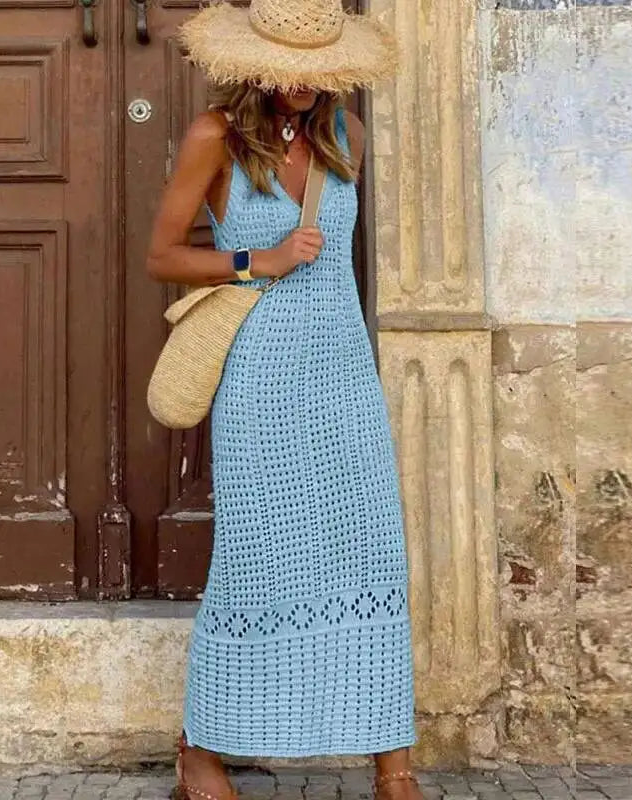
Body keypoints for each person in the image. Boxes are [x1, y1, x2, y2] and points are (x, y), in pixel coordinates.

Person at [146, 2, 421, 799]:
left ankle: (391, 761)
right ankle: (200, 752)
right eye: (286, 67)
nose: (301, 83)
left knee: (370, 549)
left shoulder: (347, 139)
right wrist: (255, 258)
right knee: (258, 560)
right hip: (261, 375)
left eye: (315, 67)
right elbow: (162, 255)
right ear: (254, 64)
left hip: (341, 369)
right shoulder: (215, 139)